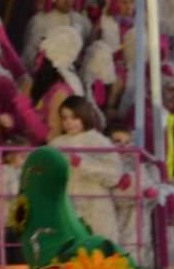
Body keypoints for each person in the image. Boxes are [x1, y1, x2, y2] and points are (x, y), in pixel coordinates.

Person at [48, 98, 120, 244]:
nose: (68, 122)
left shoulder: (100, 142)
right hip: (67, 207)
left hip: (96, 207)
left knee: (100, 251)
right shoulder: (56, 144)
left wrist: (83, 163)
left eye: (74, 117)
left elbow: (113, 175)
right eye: (64, 118)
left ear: (84, 116)